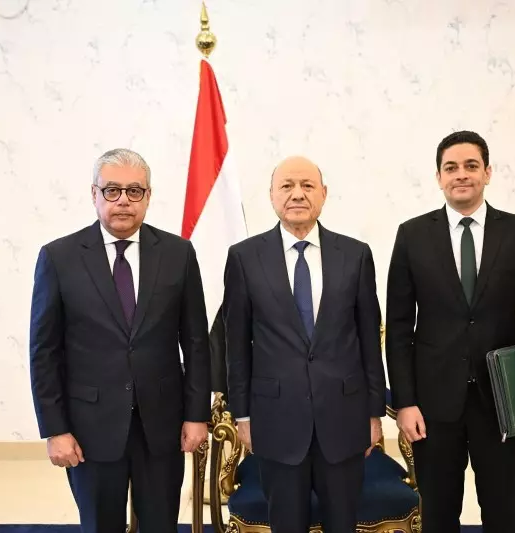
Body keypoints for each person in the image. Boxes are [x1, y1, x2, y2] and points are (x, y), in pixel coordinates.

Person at [385, 130, 515, 533]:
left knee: (502, 511)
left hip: (503, 402)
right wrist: (405, 402)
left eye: (471, 165)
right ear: (439, 177)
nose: (461, 174)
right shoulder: (412, 235)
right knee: (438, 513)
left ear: (487, 172)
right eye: (451, 167)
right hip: (433, 406)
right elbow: (398, 326)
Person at [28, 148, 211, 533]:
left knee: (160, 525)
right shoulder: (59, 258)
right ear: (94, 194)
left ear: (148, 196)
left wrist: (196, 414)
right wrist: (55, 429)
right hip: (90, 428)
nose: (123, 200)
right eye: (112, 190)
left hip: (161, 425)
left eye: (134, 191)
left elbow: (196, 342)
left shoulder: (178, 254)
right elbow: (44, 352)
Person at [223, 155, 385, 533]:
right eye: (287, 186)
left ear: (323, 194)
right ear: (271, 195)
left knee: (343, 524)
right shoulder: (244, 258)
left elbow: (368, 339)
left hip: (344, 419)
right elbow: (236, 345)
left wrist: (374, 412)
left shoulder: (356, 255)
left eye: (307, 186)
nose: (297, 194)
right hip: (275, 420)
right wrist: (242, 415)